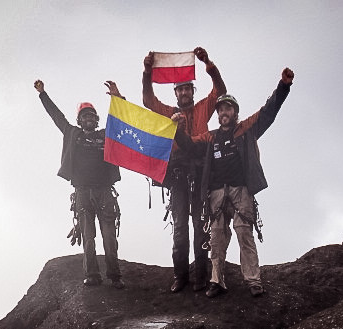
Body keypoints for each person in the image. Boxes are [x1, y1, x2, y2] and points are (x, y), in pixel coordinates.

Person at [173, 67, 295, 298]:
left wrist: (283, 86)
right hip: (217, 194)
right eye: (220, 109)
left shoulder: (246, 130)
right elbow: (189, 145)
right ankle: (217, 281)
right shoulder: (210, 137)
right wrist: (179, 131)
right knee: (217, 236)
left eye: (227, 108)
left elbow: (267, 112)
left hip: (241, 191)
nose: (223, 112)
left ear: (235, 112)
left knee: (243, 232)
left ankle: (253, 281)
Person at [142, 47, 227, 293]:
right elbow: (149, 101)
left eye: (188, 88)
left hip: (201, 173)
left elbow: (220, 91)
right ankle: (180, 277)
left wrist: (208, 63)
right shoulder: (169, 113)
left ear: (192, 91)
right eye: (180, 89)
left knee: (201, 225)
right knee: (180, 226)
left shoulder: (202, 108)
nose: (184, 92)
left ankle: (201, 278)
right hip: (178, 174)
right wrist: (147, 72)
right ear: (176, 93)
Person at [34, 78, 125, 289]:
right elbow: (57, 117)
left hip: (104, 192)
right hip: (83, 192)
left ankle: (115, 275)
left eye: (92, 116)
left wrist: (117, 97)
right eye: (84, 117)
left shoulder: (106, 136)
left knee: (109, 237)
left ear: (97, 119)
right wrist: (43, 94)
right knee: (88, 237)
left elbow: (121, 119)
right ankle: (92, 275)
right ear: (79, 120)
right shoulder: (72, 134)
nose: (88, 119)